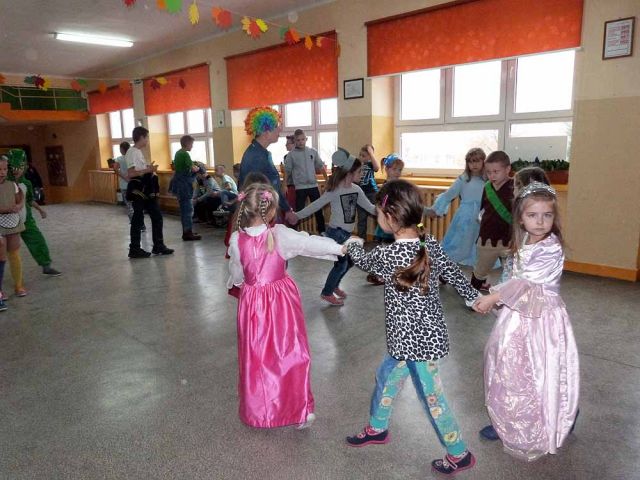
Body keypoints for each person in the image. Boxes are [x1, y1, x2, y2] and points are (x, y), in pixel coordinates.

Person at [344, 180, 479, 476]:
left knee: (433, 399)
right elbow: (454, 273)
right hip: (410, 341)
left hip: (416, 346)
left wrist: (353, 244)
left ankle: (459, 453)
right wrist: (473, 298)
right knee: (386, 377)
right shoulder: (429, 244)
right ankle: (378, 427)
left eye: (378, 212)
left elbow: (363, 261)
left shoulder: (388, 255)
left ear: (389, 217)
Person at [474, 182, 579, 461]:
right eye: (533, 215)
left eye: (547, 215)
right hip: (519, 315)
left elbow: (527, 283)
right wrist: (500, 294)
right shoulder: (526, 241)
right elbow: (516, 278)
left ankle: (556, 415)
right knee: (510, 365)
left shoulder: (551, 247)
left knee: (539, 367)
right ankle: (507, 417)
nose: (540, 221)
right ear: (521, 218)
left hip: (542, 321)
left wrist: (493, 297)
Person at [227, 182, 344, 428]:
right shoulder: (279, 234)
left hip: (252, 305)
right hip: (280, 303)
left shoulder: (237, 240)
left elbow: (237, 273)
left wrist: (239, 284)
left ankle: (261, 411)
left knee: (257, 357)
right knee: (290, 352)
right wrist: (340, 247)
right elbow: (308, 243)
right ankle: (298, 407)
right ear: (271, 211)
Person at [293, 148, 376, 306]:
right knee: (341, 264)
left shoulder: (357, 190)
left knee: (349, 262)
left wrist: (385, 212)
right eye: (359, 172)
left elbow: (370, 208)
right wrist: (297, 215)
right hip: (336, 232)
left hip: (347, 233)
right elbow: (316, 205)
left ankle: (334, 285)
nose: (362, 174)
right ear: (349, 173)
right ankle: (327, 292)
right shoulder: (335, 190)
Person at [425, 148, 487, 267]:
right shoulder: (463, 179)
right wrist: (436, 209)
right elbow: (449, 194)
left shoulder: (487, 179)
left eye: (477, 161)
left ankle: (475, 262)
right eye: (470, 162)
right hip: (465, 216)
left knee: (477, 241)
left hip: (482, 215)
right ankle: (443, 261)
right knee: (461, 241)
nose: (474, 165)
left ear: (483, 162)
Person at [7, 149, 61, 279]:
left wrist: (40, 210)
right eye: (13, 167)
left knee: (38, 240)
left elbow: (30, 200)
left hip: (26, 220)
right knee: (7, 249)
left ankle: (46, 266)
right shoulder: (4, 184)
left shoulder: (27, 183)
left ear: (25, 167)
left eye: (19, 167)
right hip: (8, 221)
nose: (16, 170)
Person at [238, 107, 297, 225]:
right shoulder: (256, 156)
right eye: (276, 127)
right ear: (266, 132)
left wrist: (286, 209)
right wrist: (286, 209)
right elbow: (262, 188)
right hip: (259, 215)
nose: (279, 130)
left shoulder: (260, 152)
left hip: (264, 212)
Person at [125, 126, 174, 258]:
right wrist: (148, 170)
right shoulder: (132, 152)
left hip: (145, 188)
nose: (147, 140)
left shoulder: (138, 152)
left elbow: (138, 169)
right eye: (147, 137)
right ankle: (134, 248)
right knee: (138, 219)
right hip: (139, 190)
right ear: (141, 137)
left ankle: (158, 245)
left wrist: (148, 168)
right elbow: (131, 173)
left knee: (156, 216)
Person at [470, 151, 513, 291]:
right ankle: (471, 295)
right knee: (480, 271)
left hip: (510, 240)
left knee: (512, 273)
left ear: (507, 169)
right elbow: (483, 209)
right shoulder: (487, 187)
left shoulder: (516, 187)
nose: (492, 176)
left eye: (496, 172)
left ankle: (509, 298)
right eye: (488, 172)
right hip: (487, 239)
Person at [367, 154, 405, 285]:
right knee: (387, 250)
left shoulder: (399, 185)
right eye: (395, 169)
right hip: (388, 222)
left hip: (397, 222)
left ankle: (390, 273)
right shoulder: (386, 186)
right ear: (387, 169)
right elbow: (382, 204)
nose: (398, 172)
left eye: (400, 170)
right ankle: (380, 274)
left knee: (396, 250)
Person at [284, 129, 327, 233]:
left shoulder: (312, 152)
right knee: (298, 211)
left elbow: (321, 166)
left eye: (302, 139)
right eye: (298, 140)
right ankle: (294, 233)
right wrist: (284, 184)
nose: (301, 142)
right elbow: (287, 171)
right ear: (295, 141)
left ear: (306, 139)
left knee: (318, 210)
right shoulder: (291, 155)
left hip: (313, 186)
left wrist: (327, 180)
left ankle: (322, 232)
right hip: (300, 188)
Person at [0, 155, 26, 301]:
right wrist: (5, 209)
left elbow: (19, 200)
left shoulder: (12, 185)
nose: (2, 172)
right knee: (1, 257)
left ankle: (18, 285)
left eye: (4, 169)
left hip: (12, 222)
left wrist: (19, 205)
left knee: (14, 253)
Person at [169, 135, 201, 241]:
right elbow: (193, 168)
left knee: (184, 210)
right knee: (188, 209)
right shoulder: (185, 154)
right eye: (191, 144)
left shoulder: (178, 153)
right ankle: (188, 233)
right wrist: (198, 168)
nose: (192, 146)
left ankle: (187, 230)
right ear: (187, 143)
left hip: (178, 185)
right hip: (184, 186)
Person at [356, 144, 379, 239]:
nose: (361, 157)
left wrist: (371, 153)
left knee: (377, 216)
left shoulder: (370, 164)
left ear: (370, 156)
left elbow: (377, 168)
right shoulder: (358, 165)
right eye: (360, 155)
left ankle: (378, 238)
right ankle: (361, 239)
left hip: (372, 193)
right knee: (361, 218)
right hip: (361, 194)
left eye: (364, 155)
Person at [281, 135, 297, 220]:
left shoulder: (298, 156)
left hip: (293, 186)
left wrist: (284, 185)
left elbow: (288, 172)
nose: (286, 145)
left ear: (294, 144)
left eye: (288, 143)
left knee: (291, 207)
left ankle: (291, 224)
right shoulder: (286, 157)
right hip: (290, 185)